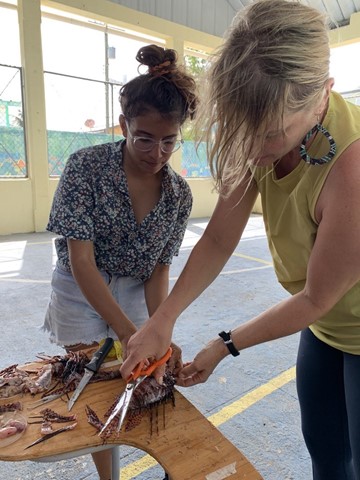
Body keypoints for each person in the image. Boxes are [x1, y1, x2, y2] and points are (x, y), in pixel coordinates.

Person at [120, 2, 360, 479]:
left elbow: (315, 297)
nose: (252, 150)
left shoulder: (352, 170)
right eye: (243, 131)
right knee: (328, 455)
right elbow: (218, 239)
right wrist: (162, 319)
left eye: (270, 135)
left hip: (341, 315)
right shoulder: (259, 127)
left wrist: (224, 344)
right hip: (326, 329)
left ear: (322, 97)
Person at [43, 44, 197, 480]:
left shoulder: (179, 195)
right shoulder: (86, 168)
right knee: (92, 382)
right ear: (123, 124)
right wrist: (133, 333)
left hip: (135, 286)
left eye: (169, 141)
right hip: (80, 285)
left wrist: (158, 330)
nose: (157, 153)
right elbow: (82, 263)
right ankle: (108, 476)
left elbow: (158, 271)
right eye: (144, 138)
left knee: (137, 378)